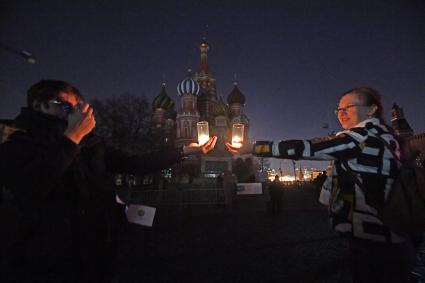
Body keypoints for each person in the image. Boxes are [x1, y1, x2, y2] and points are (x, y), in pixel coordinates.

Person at [0, 80, 217, 283]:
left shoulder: (91, 143)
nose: (73, 113)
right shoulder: (20, 144)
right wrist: (72, 138)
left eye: (76, 108)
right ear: (39, 105)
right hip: (51, 249)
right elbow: (32, 186)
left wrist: (185, 151)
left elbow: (134, 164)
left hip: (98, 242)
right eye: (64, 106)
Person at [227, 87, 415, 283]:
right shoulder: (384, 135)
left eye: (348, 107)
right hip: (388, 232)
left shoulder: (364, 136)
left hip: (378, 238)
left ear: (371, 110)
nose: (341, 113)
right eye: (338, 109)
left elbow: (311, 147)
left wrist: (256, 147)